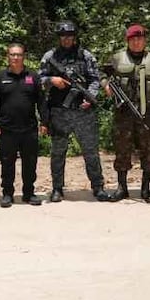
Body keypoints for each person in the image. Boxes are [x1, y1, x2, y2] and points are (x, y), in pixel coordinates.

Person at [40, 21, 110, 202]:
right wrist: (51, 80)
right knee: (57, 152)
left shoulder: (85, 55)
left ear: (75, 37)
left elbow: (95, 78)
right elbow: (38, 79)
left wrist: (90, 97)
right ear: (59, 38)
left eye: (70, 36)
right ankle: (57, 188)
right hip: (58, 112)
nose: (67, 39)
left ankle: (98, 187)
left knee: (91, 151)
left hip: (83, 112)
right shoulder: (50, 56)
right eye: (63, 36)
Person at [103, 24, 150, 204]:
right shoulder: (117, 58)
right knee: (122, 150)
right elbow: (100, 73)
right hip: (124, 114)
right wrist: (106, 84)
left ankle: (145, 189)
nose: (137, 42)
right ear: (128, 41)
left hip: (149, 114)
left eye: (140, 39)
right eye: (133, 39)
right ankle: (122, 188)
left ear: (145, 40)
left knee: (149, 151)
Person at [0, 43, 46, 207]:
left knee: (30, 163)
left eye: (18, 54)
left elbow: (41, 101)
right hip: (7, 129)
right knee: (7, 163)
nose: (15, 57)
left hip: (29, 129)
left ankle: (29, 193)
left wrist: (44, 122)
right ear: (8, 56)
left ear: (23, 56)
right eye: (12, 54)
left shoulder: (33, 77)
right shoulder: (0, 77)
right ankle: (7, 194)